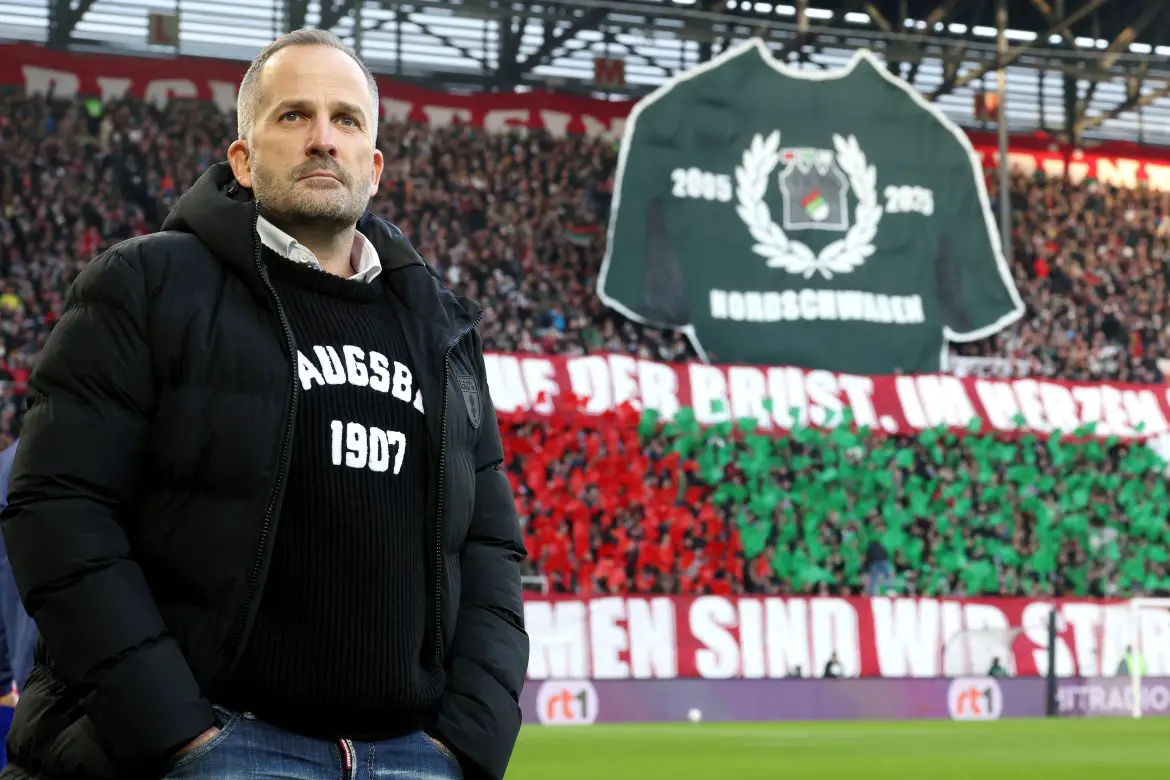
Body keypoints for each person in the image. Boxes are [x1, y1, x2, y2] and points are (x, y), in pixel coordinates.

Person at [0, 28, 528, 780]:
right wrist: (177, 735)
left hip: (412, 755)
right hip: (218, 747)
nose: (323, 138)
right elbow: (58, 509)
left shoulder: (443, 328)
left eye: (347, 120)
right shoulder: (145, 283)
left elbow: (491, 548)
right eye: (294, 115)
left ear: (374, 167)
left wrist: (466, 741)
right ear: (243, 160)